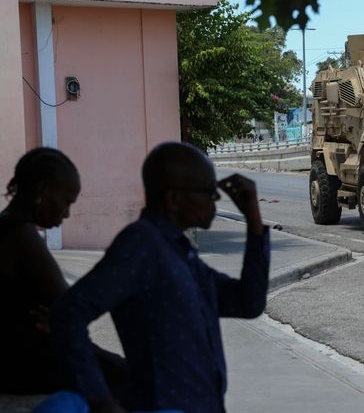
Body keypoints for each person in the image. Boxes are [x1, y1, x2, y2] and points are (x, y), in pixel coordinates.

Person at [50, 142, 270, 413]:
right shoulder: (142, 245)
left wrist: (254, 221)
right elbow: (69, 313)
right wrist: (101, 400)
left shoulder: (178, 252)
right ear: (174, 200)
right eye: (208, 193)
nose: (215, 201)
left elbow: (248, 303)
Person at [0, 147, 126, 395]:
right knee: (131, 377)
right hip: (28, 366)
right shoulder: (19, 234)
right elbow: (69, 309)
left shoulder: (9, 226)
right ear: (43, 190)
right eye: (66, 201)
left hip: (21, 359)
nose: (67, 213)